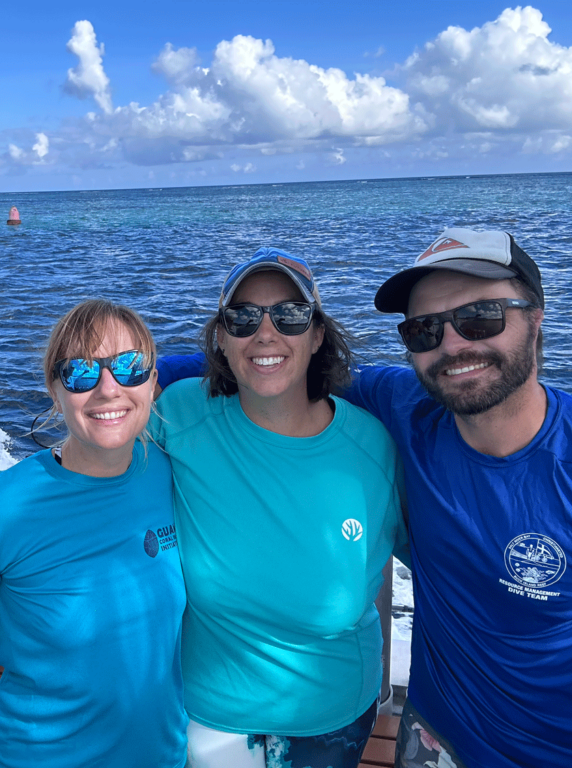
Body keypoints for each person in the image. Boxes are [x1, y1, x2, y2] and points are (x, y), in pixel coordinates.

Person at [346, 228, 572, 767]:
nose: (453, 345)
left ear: (537, 315)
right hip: (430, 742)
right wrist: (142, 380)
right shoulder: (405, 407)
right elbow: (281, 371)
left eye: (481, 318)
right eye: (424, 330)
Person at [150, 248, 407, 768]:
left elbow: (377, 566)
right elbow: (92, 456)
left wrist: (381, 680)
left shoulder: (372, 449)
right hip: (211, 718)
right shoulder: (178, 416)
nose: (265, 333)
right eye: (243, 318)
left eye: (290, 315)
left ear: (317, 336)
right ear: (221, 339)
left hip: (334, 719)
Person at [0, 299, 188, 768]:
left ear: (153, 382)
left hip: (162, 756)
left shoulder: (170, 473)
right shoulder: (0, 509)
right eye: (80, 372)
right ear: (54, 389)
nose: (108, 388)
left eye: (129, 367)